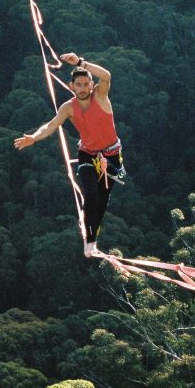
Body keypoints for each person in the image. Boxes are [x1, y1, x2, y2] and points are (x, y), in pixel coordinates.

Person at [14, 52, 126, 257]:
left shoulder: (100, 96)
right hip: (87, 154)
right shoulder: (68, 108)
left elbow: (106, 75)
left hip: (111, 155)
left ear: (91, 85)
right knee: (91, 194)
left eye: (86, 84)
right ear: (71, 86)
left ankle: (92, 234)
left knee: (101, 201)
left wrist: (81, 62)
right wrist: (34, 137)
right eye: (78, 85)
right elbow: (51, 125)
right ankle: (90, 241)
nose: (82, 88)